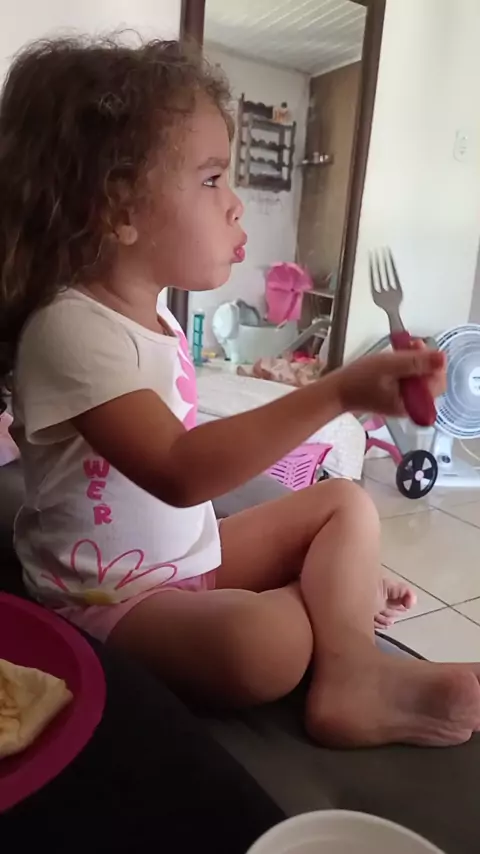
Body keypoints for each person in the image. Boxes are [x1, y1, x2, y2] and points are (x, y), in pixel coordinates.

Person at [0, 36, 479, 750]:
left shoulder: (159, 317)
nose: (235, 206)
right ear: (118, 208)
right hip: (113, 600)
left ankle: (351, 674)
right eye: (212, 178)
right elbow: (180, 470)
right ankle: (336, 620)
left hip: (193, 557)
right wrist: (335, 393)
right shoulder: (67, 329)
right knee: (268, 646)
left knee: (345, 503)